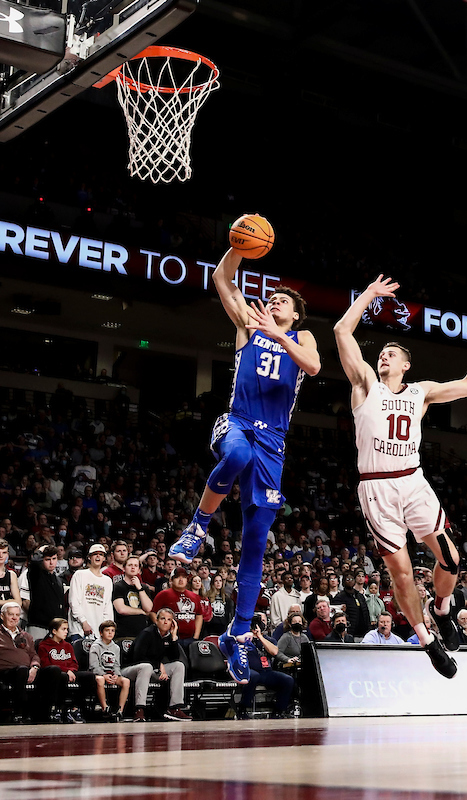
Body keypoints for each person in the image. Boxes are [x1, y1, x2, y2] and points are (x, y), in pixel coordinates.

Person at [166, 245, 320, 687]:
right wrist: (238, 247)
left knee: (255, 540)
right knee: (235, 455)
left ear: (295, 314)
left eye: (283, 302)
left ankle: (238, 631)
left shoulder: (302, 339)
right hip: (236, 422)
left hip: (274, 442)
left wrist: (279, 334)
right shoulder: (246, 322)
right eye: (271, 299)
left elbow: (311, 364)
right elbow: (221, 278)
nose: (273, 304)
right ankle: (198, 527)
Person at [335, 274, 467, 679]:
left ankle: (441, 609)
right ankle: (427, 640)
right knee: (400, 571)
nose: (384, 357)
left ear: (406, 365)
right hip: (376, 487)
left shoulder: (419, 392)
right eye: (383, 353)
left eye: (392, 353)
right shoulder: (365, 384)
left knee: (452, 559)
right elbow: (341, 329)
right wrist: (369, 294)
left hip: (412, 481)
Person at [0, 602, 66, 723]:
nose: (14, 618)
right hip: (4, 673)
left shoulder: (26, 636)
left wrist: (34, 667)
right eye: (11, 614)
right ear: (2, 616)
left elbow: (34, 655)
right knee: (22, 670)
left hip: (27, 671)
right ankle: (19, 713)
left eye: (17, 615)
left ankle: (47, 712)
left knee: (55, 671)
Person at [125, 607, 190, 722]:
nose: (165, 622)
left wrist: (174, 637)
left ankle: (174, 708)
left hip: (152, 670)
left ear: (172, 623)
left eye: (169, 620)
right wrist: (159, 666)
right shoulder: (147, 633)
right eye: (163, 619)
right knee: (146, 667)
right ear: (156, 620)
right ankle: (139, 710)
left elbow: (174, 657)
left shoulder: (168, 636)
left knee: (178, 665)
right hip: (130, 669)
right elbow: (138, 657)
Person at [36, 618, 96, 723]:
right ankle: (57, 709)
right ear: (54, 631)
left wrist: (70, 671)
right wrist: (66, 671)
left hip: (69, 672)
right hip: (51, 674)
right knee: (59, 674)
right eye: (63, 629)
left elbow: (74, 664)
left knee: (89, 676)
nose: (66, 632)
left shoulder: (68, 645)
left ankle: (77, 708)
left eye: (67, 629)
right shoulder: (43, 645)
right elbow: (46, 664)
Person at [21, 544, 67, 642]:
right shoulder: (36, 575)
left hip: (55, 628)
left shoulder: (58, 580)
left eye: (54, 559)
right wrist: (41, 550)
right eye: (47, 559)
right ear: (42, 560)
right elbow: (34, 563)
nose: (51, 562)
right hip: (38, 626)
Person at [88, 620, 132, 721]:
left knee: (126, 681)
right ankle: (105, 708)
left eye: (112, 631)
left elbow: (116, 665)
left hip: (111, 675)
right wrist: (103, 675)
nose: (110, 633)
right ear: (101, 633)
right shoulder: (95, 646)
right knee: (100, 680)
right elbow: (93, 665)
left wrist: (117, 675)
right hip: (98, 674)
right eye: (107, 630)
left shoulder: (116, 647)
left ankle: (120, 711)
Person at [69, 544, 114, 640]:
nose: (98, 556)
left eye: (101, 554)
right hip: (79, 630)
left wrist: (107, 629)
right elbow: (74, 602)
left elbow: (107, 607)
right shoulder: (80, 574)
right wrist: (84, 622)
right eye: (95, 554)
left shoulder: (107, 580)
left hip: (98, 633)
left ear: (104, 558)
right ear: (89, 557)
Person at [112, 555, 154, 641]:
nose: (133, 568)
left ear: (139, 570)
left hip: (142, 634)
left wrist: (140, 588)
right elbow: (121, 609)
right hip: (123, 633)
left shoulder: (144, 588)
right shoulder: (118, 586)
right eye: (130, 565)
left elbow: (149, 608)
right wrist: (141, 611)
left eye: (135, 566)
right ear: (124, 568)